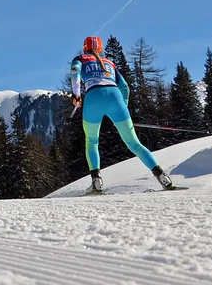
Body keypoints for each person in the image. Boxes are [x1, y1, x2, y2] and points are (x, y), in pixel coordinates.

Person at [70, 36, 174, 194]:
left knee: (91, 142)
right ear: (100, 48)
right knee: (134, 144)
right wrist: (121, 108)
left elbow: (75, 71)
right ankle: (162, 177)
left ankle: (97, 181)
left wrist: (76, 95)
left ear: (85, 48)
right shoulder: (110, 63)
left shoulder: (80, 59)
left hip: (93, 98)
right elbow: (125, 87)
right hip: (116, 98)